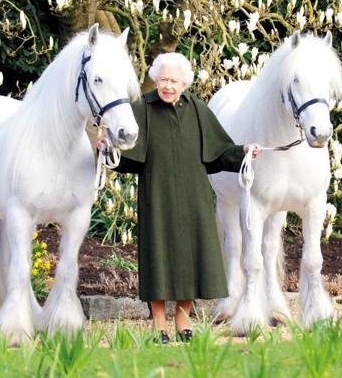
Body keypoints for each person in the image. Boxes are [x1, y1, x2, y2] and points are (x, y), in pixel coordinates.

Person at [102, 52, 260, 344]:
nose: (168, 86)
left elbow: (219, 152)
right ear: (155, 80)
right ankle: (159, 323)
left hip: (194, 197)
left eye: (174, 81)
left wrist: (244, 151)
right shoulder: (143, 110)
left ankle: (183, 319)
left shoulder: (198, 110)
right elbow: (128, 159)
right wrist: (108, 150)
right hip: (157, 196)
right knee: (158, 258)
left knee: (192, 257)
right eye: (163, 80)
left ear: (184, 83)